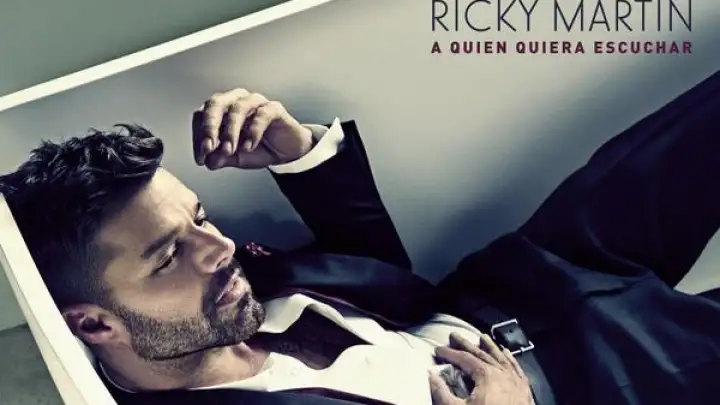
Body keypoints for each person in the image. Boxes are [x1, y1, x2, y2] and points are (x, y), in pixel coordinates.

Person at [1, 69, 719, 405]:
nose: (217, 247)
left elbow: (382, 287)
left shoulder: (226, 298)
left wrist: (302, 158)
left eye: (199, 217)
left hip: (524, 277)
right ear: (93, 323)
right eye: (167, 257)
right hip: (602, 381)